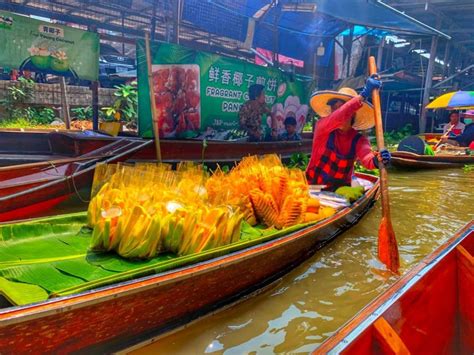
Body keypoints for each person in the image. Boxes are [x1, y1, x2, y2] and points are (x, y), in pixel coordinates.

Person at [306, 76, 390, 191]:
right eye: (333, 108)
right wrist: (363, 95)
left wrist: (377, 160)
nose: (335, 112)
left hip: (339, 191)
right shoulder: (322, 127)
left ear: (352, 113)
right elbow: (338, 117)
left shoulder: (358, 139)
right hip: (313, 187)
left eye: (340, 107)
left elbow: (367, 158)